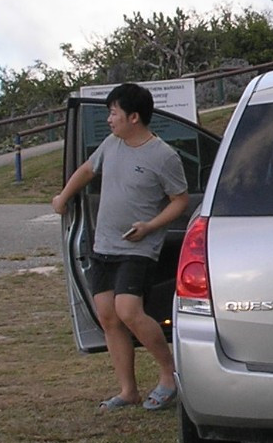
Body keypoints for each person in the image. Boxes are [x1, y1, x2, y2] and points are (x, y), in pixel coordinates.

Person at [50, 81, 190, 410]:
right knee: (108, 317)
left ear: (134, 117)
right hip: (104, 246)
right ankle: (128, 391)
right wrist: (63, 197)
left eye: (114, 113)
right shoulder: (112, 144)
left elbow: (180, 200)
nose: (110, 119)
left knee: (129, 311)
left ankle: (170, 376)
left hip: (138, 247)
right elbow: (87, 169)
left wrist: (150, 226)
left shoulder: (163, 156)